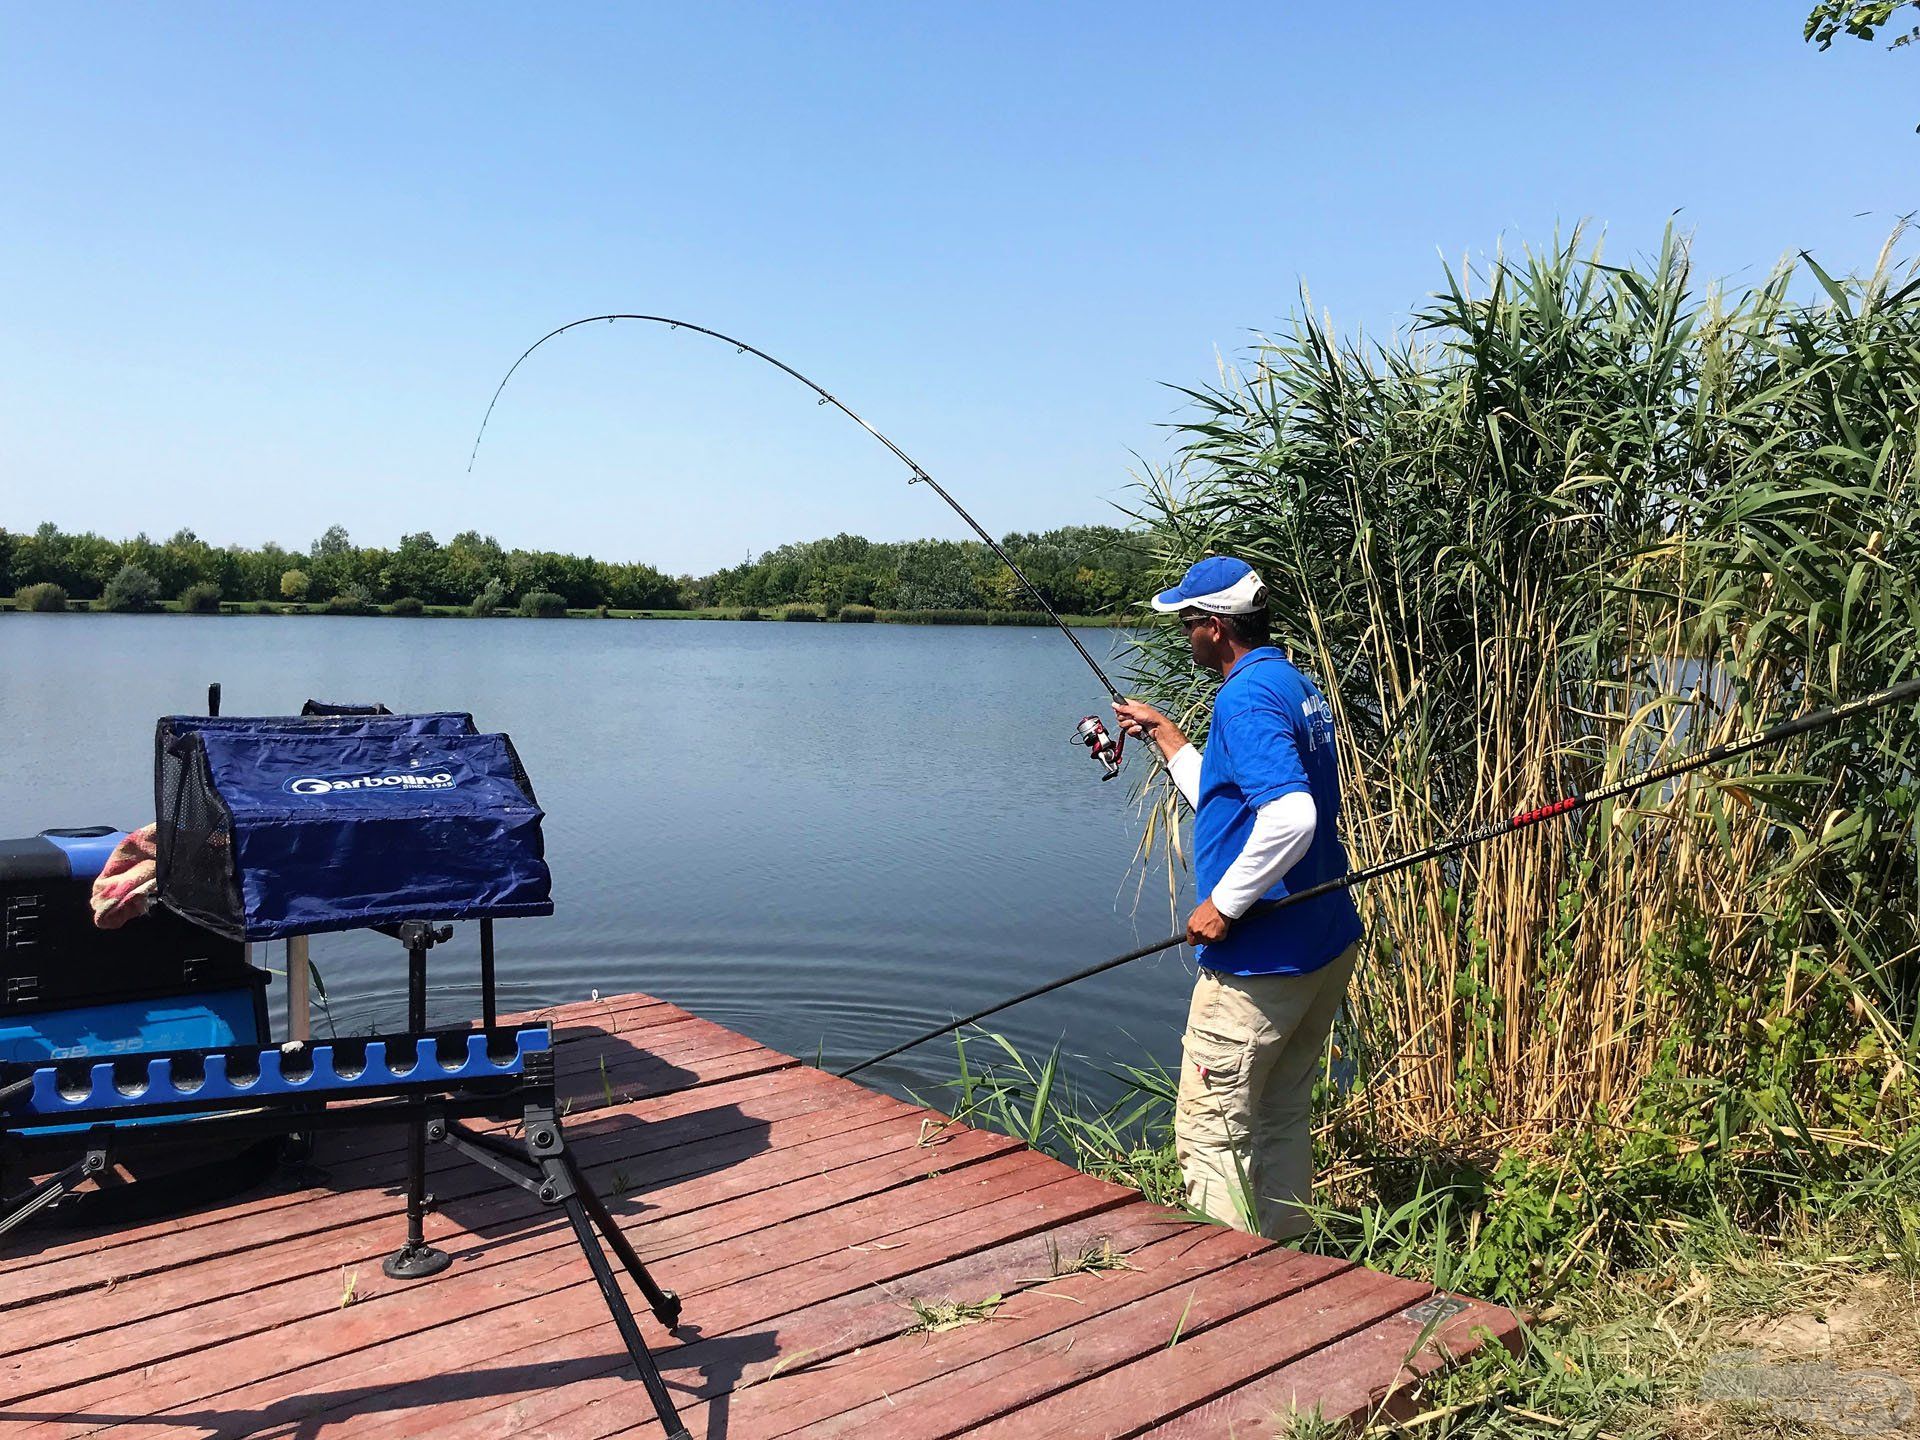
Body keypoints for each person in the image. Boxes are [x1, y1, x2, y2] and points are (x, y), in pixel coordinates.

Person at [1111, 556, 1362, 1240]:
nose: (1183, 636)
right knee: (1280, 1114)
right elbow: (1237, 802)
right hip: (1323, 941)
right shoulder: (1286, 681)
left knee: (1212, 1129)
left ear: (1216, 628)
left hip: (1264, 962)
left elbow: (1290, 818)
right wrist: (1165, 736)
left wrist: (1222, 904)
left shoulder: (1244, 698)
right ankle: (1288, 1262)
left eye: (1188, 624)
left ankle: (1222, 1290)